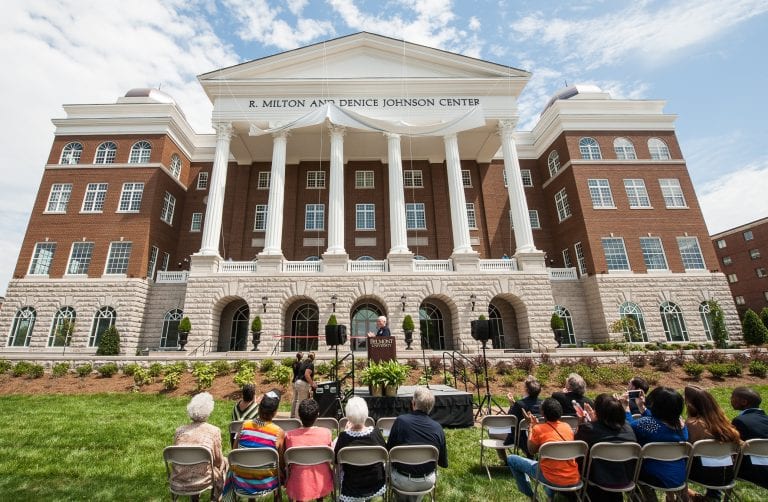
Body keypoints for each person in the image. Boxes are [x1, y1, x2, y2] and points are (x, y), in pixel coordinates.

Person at [506, 398, 581, 499]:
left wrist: (531, 426)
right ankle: (550, 493)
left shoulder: (538, 429)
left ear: (543, 413)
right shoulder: (567, 427)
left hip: (551, 478)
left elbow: (531, 450)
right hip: (573, 479)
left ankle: (531, 496)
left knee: (512, 459)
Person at [623, 386, 688, 500]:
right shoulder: (681, 426)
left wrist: (626, 409)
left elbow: (629, 427)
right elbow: (658, 423)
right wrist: (642, 408)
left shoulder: (648, 424)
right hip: (678, 476)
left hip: (653, 475)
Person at [386, 387, 448, 502]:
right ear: (431, 407)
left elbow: (389, 452)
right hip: (427, 481)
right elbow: (442, 462)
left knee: (385, 466)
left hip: (402, 480)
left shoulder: (400, 421)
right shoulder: (438, 428)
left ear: (413, 403)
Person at [222, 390, 285, 501]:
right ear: (275, 412)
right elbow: (281, 461)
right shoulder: (278, 432)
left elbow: (234, 451)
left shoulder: (244, 426)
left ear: (258, 409)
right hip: (266, 484)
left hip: (241, 482)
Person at [575, 394, 637, 502]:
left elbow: (577, 447)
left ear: (598, 412)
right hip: (625, 479)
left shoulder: (589, 429)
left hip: (597, 479)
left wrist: (582, 423)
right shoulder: (628, 428)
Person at [684, 385, 741, 501]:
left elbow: (685, 450)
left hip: (700, 475)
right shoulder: (726, 425)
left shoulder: (693, 424)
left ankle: (684, 495)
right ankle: (711, 497)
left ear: (690, 404)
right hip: (727, 475)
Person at [171, 392, 228, 501]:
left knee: (192, 465)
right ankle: (216, 498)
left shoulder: (179, 431)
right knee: (225, 463)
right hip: (202, 481)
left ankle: (195, 499)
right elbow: (217, 461)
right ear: (209, 411)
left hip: (179, 479)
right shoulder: (214, 431)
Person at [334, 397, 387, 501]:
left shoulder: (344, 437)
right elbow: (386, 456)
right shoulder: (376, 433)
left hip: (351, 485)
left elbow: (336, 462)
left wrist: (346, 431)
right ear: (366, 413)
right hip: (375, 483)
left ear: (348, 416)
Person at [284, 399, 334, 502]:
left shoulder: (289, 436)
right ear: (317, 415)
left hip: (299, 480)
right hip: (322, 479)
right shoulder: (326, 433)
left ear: (299, 415)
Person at [730, 387, 768, 489]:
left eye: (733, 397)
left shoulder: (740, 421)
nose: (730, 399)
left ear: (744, 402)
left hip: (753, 471)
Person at [502, 375, 542, 459]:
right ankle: (530, 455)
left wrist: (512, 405)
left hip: (521, 438)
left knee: (492, 432)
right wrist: (514, 404)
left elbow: (510, 420)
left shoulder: (520, 404)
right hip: (541, 436)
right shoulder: (543, 404)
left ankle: (505, 460)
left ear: (526, 390)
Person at [292, 352, 316, 418]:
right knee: (301, 402)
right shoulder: (310, 364)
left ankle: (296, 416)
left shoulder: (304, 362)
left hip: (298, 382)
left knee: (298, 401)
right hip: (303, 383)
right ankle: (299, 418)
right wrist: (312, 384)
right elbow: (307, 374)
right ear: (313, 358)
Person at [290, 352, 304, 417]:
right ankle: (296, 415)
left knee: (294, 399)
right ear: (301, 357)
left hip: (293, 380)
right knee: (298, 399)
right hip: (298, 381)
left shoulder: (294, 363)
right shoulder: (301, 364)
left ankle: (292, 414)